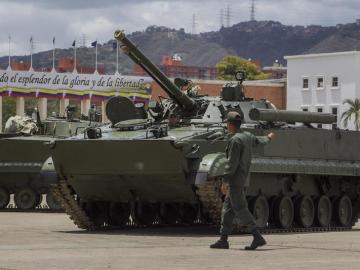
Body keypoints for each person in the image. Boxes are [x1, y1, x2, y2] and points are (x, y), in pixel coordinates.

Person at [210, 111, 275, 250]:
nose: (227, 125)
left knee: (240, 208)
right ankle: (223, 239)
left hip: (236, 181)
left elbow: (231, 163)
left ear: (230, 124)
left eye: (227, 123)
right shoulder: (247, 136)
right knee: (228, 210)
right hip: (244, 179)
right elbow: (259, 141)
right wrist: (269, 138)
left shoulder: (235, 140)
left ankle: (257, 236)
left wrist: (225, 181)